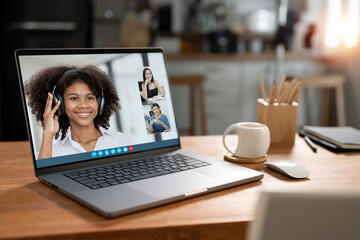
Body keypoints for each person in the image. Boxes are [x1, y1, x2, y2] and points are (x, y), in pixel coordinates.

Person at [24, 65, 132, 159]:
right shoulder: (51, 152)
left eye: (90, 98)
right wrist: (48, 133)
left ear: (100, 102)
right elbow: (44, 176)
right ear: (60, 103)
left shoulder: (121, 141)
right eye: (74, 98)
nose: (83, 105)